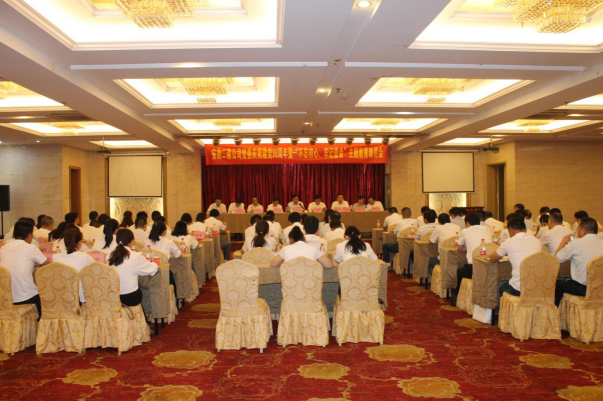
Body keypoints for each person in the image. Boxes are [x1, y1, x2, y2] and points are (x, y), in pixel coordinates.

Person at [0, 220, 48, 316]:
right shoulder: (31, 248)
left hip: (5, 297)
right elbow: (48, 265)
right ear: (30, 235)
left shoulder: (4, 248)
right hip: (25, 297)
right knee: (45, 299)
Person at [490, 217, 542, 301]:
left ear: (511, 230)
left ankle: (511, 308)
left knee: (502, 288)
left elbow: (492, 259)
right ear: (525, 229)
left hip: (519, 288)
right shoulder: (537, 241)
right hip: (537, 286)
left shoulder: (508, 242)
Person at [554, 217, 603, 305]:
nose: (577, 231)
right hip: (600, 288)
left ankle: (557, 312)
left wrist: (563, 242)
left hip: (583, 289)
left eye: (578, 229)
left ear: (583, 231)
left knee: (557, 284)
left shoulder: (576, 243)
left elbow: (557, 259)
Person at [451, 213, 492, 306]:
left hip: (474, 267)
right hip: (488, 265)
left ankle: (455, 298)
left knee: (459, 272)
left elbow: (459, 247)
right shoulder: (487, 230)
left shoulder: (465, 231)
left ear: (467, 223)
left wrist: (469, 247)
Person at [108, 229, 158, 306]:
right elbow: (152, 269)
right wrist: (156, 263)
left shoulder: (109, 256)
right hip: (129, 297)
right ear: (132, 241)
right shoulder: (136, 256)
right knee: (141, 291)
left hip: (113, 296)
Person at [54, 229, 95, 303]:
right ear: (79, 242)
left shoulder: (55, 257)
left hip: (61, 296)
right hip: (80, 297)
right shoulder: (84, 257)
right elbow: (97, 268)